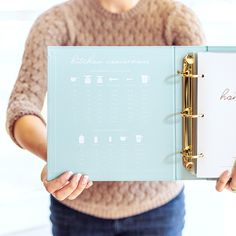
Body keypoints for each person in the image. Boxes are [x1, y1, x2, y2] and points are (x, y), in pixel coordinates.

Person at [5, 0, 236, 235]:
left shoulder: (177, 19)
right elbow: (22, 106)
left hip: (159, 207)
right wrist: (57, 156)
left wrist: (228, 157)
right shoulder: (56, 22)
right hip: (76, 209)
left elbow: (207, 106)